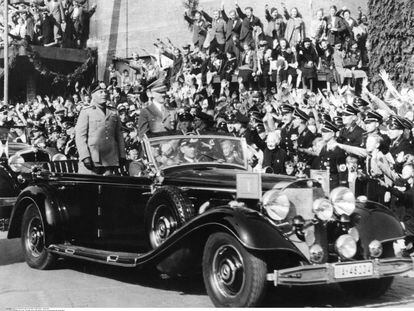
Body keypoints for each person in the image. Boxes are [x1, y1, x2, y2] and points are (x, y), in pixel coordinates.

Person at [75, 82, 126, 175]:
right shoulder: (86, 111)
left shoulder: (113, 112)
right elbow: (80, 136)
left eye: (105, 91)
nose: (104, 94)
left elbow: (119, 135)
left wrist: (122, 155)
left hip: (110, 160)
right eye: (101, 92)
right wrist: (85, 156)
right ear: (93, 95)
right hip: (92, 160)